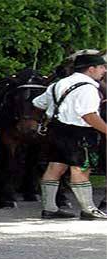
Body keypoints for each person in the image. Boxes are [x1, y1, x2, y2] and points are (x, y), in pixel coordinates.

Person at [32, 53, 107, 220]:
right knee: (81, 168)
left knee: (55, 167)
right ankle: (89, 209)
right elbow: (89, 115)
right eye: (102, 67)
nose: (104, 70)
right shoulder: (88, 88)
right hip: (80, 133)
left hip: (57, 130)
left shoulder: (58, 84)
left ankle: (50, 208)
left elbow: (38, 103)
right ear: (91, 69)